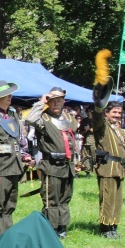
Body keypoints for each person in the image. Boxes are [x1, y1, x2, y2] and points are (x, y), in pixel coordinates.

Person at [0, 80, 33, 239]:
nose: (9, 97)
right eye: (5, 95)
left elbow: (21, 140)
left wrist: (25, 155)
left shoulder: (13, 115)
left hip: (14, 166)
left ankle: (8, 236)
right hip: (0, 168)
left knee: (10, 204)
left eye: (10, 94)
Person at [25, 87, 78, 239]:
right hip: (51, 165)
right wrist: (41, 102)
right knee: (51, 198)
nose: (56, 103)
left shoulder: (68, 118)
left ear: (63, 101)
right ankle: (51, 228)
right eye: (53, 100)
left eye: (59, 100)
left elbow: (74, 134)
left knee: (65, 197)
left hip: (67, 165)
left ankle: (62, 226)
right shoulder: (43, 118)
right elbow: (30, 119)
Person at [93, 101, 125, 238]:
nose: (117, 115)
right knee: (107, 198)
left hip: (119, 168)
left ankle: (113, 226)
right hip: (107, 167)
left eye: (119, 113)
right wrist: (99, 103)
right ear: (106, 113)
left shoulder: (118, 129)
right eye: (114, 112)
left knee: (117, 200)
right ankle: (105, 227)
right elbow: (97, 118)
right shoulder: (102, 126)